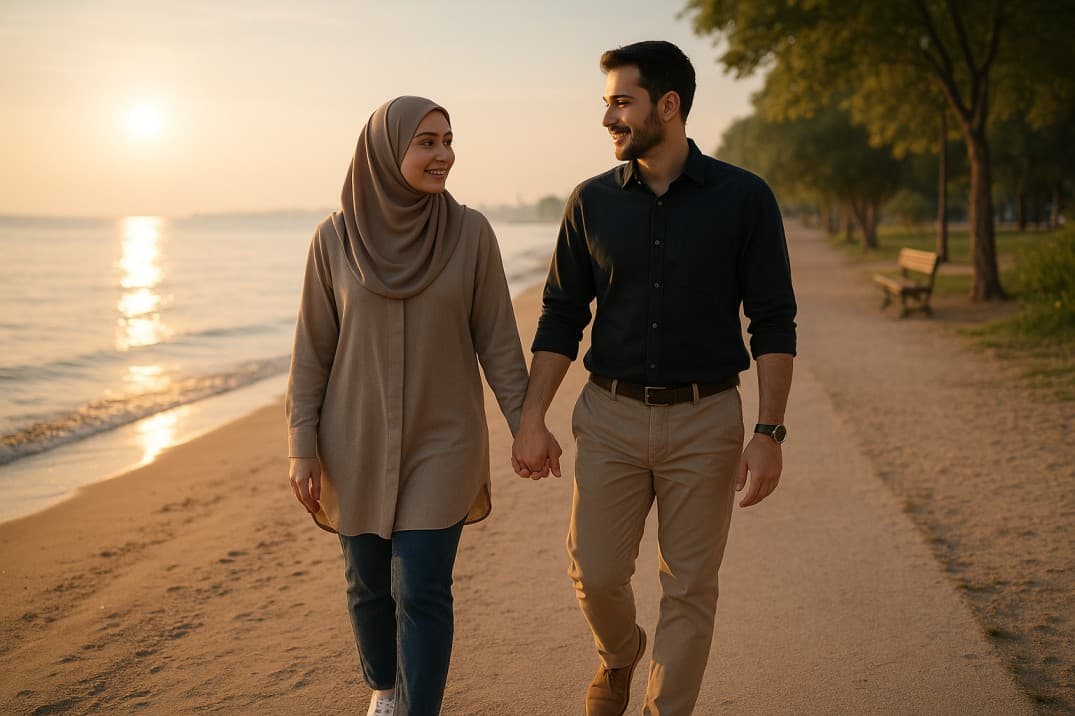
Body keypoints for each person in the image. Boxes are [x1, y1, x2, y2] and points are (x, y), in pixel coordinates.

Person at [511, 41, 797, 715]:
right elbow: (560, 316)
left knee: (690, 586)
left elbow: (773, 320)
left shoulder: (744, 199)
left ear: (667, 106)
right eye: (605, 102)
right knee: (597, 572)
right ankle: (618, 655)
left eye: (620, 101)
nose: (608, 118)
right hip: (607, 416)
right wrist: (532, 418)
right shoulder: (590, 204)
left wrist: (768, 431)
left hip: (706, 421)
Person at [285, 96, 529, 716]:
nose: (443, 154)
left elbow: (498, 341)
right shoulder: (333, 240)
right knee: (368, 586)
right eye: (426, 141)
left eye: (448, 140)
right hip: (354, 440)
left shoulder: (471, 233)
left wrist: (526, 424)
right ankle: (384, 690)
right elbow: (312, 352)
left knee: (421, 586)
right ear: (384, 151)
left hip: (443, 440)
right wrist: (301, 445)